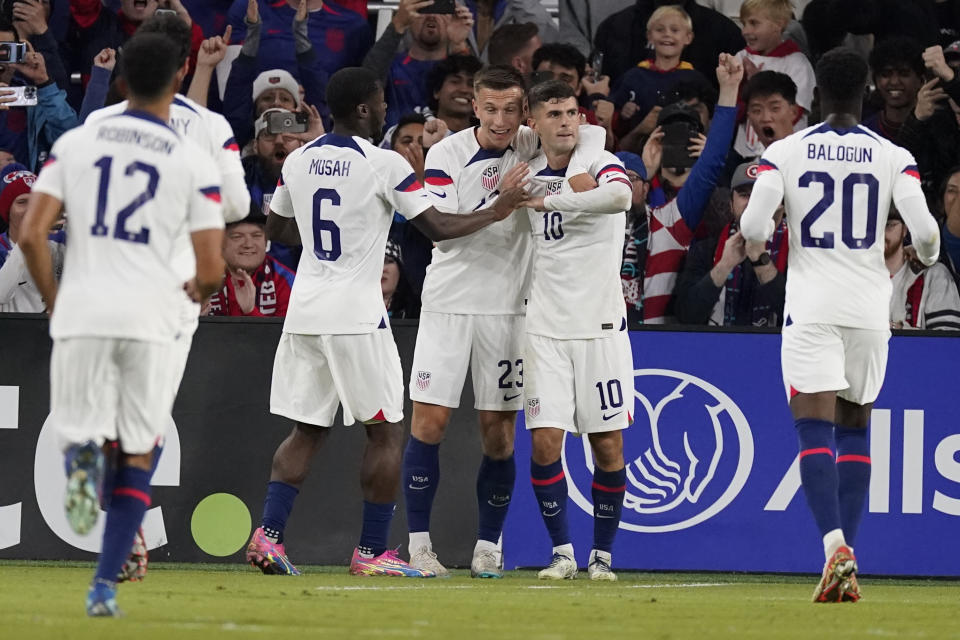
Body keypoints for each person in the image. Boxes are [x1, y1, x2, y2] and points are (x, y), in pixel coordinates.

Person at [245, 65, 530, 578]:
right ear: (362, 108)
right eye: (380, 103)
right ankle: (372, 550)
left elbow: (280, 230)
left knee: (306, 429)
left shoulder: (300, 158)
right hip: (355, 313)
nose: (385, 111)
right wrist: (498, 208)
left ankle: (268, 536)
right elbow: (439, 226)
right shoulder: (385, 163)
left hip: (305, 311)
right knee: (386, 432)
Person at [18, 31, 225, 616]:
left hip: (83, 309)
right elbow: (210, 267)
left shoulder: (79, 143)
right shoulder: (191, 159)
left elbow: (32, 233)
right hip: (151, 317)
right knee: (139, 449)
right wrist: (198, 288)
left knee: (81, 431)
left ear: (122, 80)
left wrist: (56, 298)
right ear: (181, 75)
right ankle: (103, 587)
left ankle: (81, 464)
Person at [739, 47, 942, 603]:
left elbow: (754, 222)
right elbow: (926, 234)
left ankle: (833, 546)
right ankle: (846, 553)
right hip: (869, 307)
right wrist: (922, 258)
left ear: (816, 96)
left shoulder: (787, 150)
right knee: (856, 430)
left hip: (811, 305)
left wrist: (761, 240)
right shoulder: (893, 154)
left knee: (813, 430)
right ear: (868, 92)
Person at [402, 65, 604, 579]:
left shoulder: (532, 142)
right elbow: (442, 231)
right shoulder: (446, 153)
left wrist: (579, 160)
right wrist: (501, 206)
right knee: (430, 424)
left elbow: (591, 132)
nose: (499, 120)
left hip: (512, 308)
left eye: (510, 109)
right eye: (489, 108)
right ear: (474, 105)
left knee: (499, 437)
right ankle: (420, 546)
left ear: (523, 111)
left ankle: (487, 546)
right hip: (448, 304)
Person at [83, 11, 251, 582]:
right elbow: (234, 207)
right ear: (185, 65)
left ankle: (119, 517)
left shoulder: (99, 121)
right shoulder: (208, 127)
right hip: (172, 289)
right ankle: (124, 522)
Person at [520, 80, 633, 581]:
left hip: (601, 328)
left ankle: (602, 556)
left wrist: (556, 200)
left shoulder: (598, 161)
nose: (566, 121)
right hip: (544, 327)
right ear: (535, 121)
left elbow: (620, 196)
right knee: (546, 443)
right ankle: (563, 552)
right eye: (555, 114)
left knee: (607, 447)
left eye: (572, 112)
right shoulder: (525, 175)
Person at [640, 53, 742, 324]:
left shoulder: (674, 217)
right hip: (612, 341)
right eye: (669, 136)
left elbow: (713, 162)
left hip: (660, 340)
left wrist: (729, 90)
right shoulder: (621, 211)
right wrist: (644, 173)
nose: (679, 143)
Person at [675, 161, 787, 326]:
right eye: (744, 195)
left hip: (776, 349)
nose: (752, 203)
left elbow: (801, 319)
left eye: (759, 195)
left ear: (777, 205)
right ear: (731, 204)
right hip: (717, 348)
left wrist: (762, 262)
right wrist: (724, 266)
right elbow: (686, 316)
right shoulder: (705, 250)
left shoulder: (796, 250)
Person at [362, 0, 473, 129]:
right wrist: (397, 24)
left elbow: (472, 92)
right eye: (423, 8)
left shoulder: (457, 65)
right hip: (393, 145)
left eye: (440, 9)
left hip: (447, 145)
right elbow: (365, 89)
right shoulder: (390, 64)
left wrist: (459, 45)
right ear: (409, 17)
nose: (432, 16)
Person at [609, 5, 709, 141]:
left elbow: (710, 122)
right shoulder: (633, 76)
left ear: (688, 37)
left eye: (675, 30)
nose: (667, 34)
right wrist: (622, 115)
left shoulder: (697, 80)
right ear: (649, 36)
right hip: (638, 150)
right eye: (660, 30)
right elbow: (613, 121)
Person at [733, 0, 815, 159]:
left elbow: (794, 113)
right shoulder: (740, 58)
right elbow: (732, 112)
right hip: (744, 155)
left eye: (753, 23)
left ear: (779, 24)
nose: (745, 31)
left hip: (788, 154)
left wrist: (756, 83)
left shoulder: (797, 64)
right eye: (744, 24)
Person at [205, 208, 295, 317]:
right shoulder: (201, 277)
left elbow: (284, 333)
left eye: (256, 236)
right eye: (237, 237)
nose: (248, 244)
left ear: (266, 243)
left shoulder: (286, 281)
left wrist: (250, 311)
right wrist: (196, 319)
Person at [0, 169, 64, 312]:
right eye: (22, 202)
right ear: (8, 211)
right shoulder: (1, 248)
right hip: (12, 332)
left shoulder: (61, 242)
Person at [886, 207, 960, 330]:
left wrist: (898, 329)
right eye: (874, 227)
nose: (880, 233)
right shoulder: (855, 274)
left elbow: (946, 341)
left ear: (905, 229)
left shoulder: (934, 274)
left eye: (889, 225)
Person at [862, 37, 925, 144]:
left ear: (921, 80)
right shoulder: (863, 134)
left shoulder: (935, 132)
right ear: (875, 81)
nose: (894, 82)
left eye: (904, 73)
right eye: (886, 74)